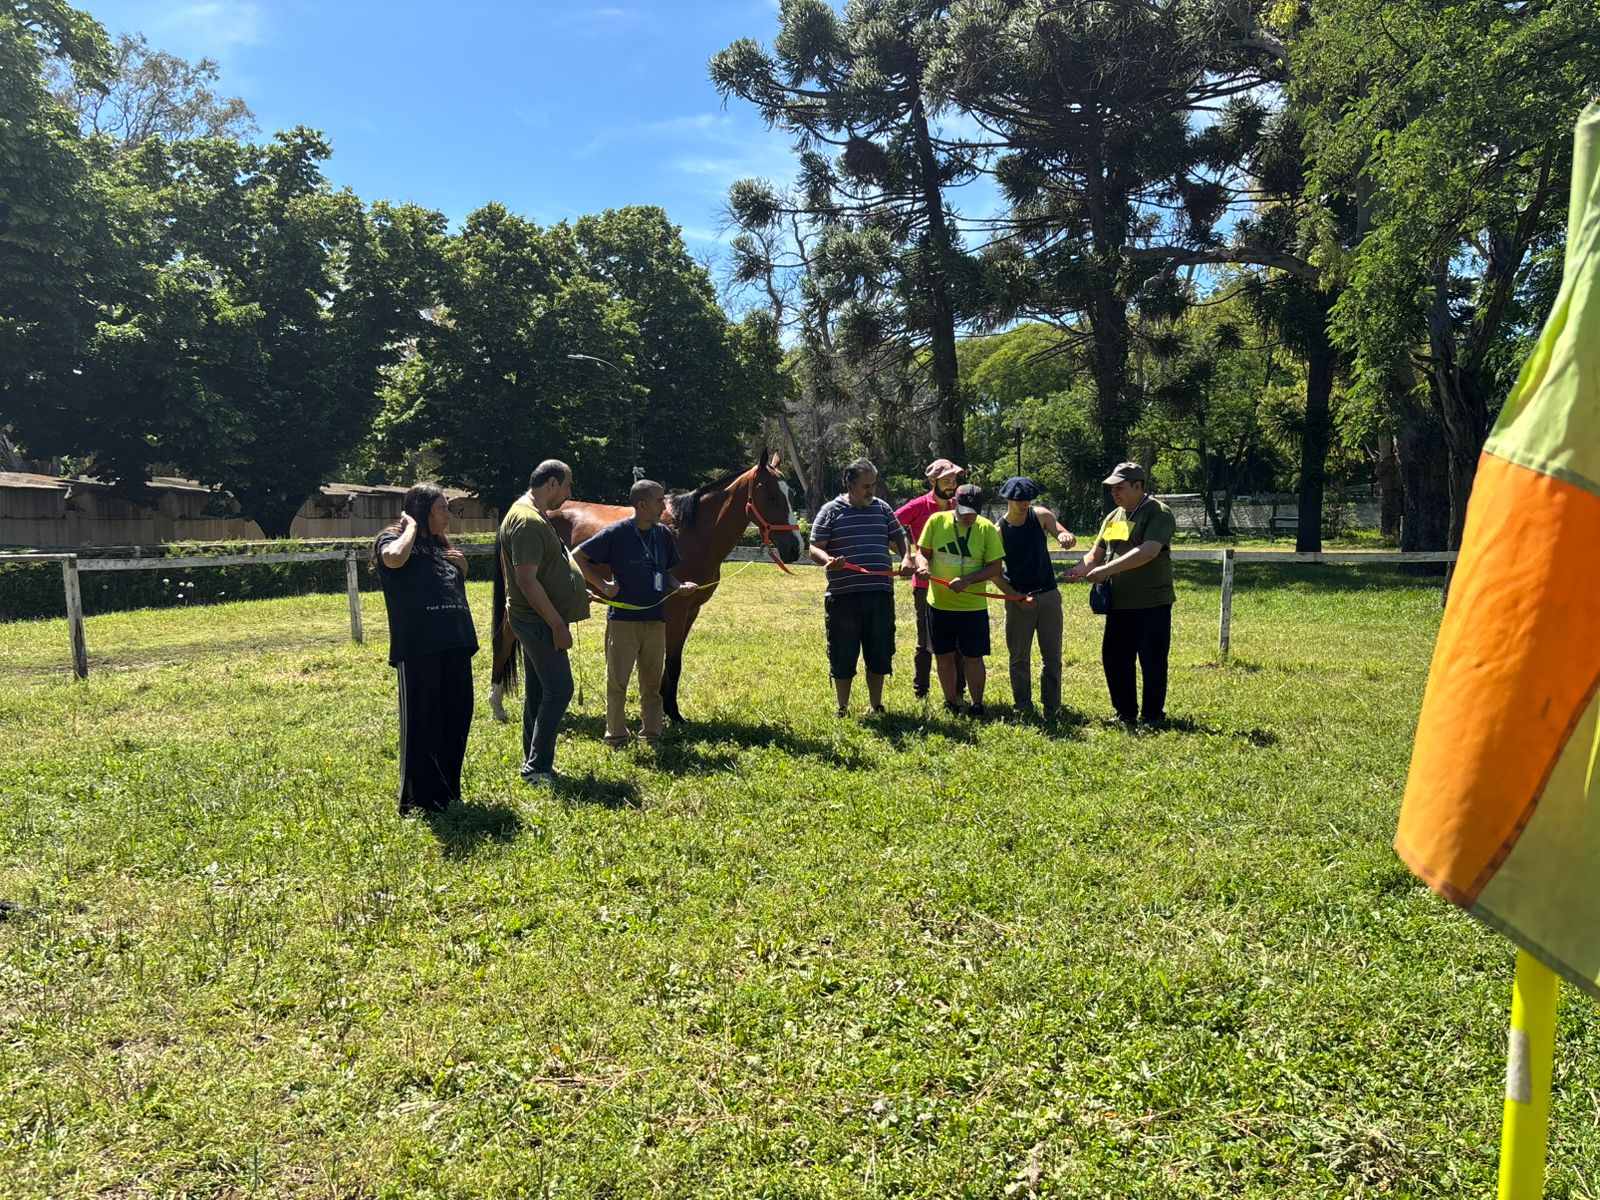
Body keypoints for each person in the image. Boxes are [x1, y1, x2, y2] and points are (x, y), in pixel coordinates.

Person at [372, 482, 477, 816]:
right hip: (419, 648)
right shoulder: (392, 539)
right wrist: (413, 527)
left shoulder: (442, 547)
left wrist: (461, 569)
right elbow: (393, 560)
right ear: (421, 510)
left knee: (456, 719)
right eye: (442, 508)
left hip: (456, 644)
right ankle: (417, 800)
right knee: (423, 723)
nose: (449, 514)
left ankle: (447, 794)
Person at [573, 479, 698, 748]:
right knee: (617, 682)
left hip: (655, 620)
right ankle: (616, 737)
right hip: (623, 622)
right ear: (641, 505)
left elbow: (666, 572)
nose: (663, 506)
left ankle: (651, 735)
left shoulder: (662, 534)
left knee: (652, 683)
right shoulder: (617, 532)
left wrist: (679, 586)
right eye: (658, 501)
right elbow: (577, 557)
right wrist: (602, 585)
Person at [498, 460, 591, 785]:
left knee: (538, 692)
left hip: (537, 618)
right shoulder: (526, 521)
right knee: (560, 689)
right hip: (538, 622)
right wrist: (557, 625)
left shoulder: (530, 514)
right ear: (551, 483)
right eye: (566, 485)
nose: (569, 493)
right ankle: (537, 768)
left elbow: (544, 571)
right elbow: (526, 580)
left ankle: (534, 761)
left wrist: (572, 593)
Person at [1066, 462, 1177, 726]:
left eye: (1120, 488)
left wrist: (1105, 571)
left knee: (1152, 660)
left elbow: (1148, 551)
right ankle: (1125, 712)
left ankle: (1152, 715)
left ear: (1139, 486)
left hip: (1152, 602)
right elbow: (1097, 553)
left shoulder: (1158, 512)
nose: (1115, 493)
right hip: (1119, 603)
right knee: (1115, 659)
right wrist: (1078, 570)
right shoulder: (1113, 516)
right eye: (1112, 488)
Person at [912, 483, 1031, 717]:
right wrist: (923, 565)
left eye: (974, 514)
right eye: (965, 513)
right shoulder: (936, 522)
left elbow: (995, 566)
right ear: (954, 505)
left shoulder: (986, 529)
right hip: (939, 604)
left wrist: (967, 580)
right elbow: (922, 552)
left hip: (972, 608)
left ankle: (977, 704)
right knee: (943, 655)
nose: (969, 518)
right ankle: (951, 702)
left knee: (973, 657)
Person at [808, 458, 908, 717]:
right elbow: (814, 548)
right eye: (865, 486)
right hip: (843, 597)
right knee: (843, 652)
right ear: (849, 484)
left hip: (879, 594)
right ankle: (843, 707)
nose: (871, 490)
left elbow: (899, 536)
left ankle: (876, 705)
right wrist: (828, 560)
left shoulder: (883, 508)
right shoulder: (830, 510)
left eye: (873, 484)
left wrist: (907, 557)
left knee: (879, 651)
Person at [997, 476, 1077, 716]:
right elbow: (994, 573)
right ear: (1008, 500)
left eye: (1028, 499)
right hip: (1019, 600)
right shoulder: (998, 531)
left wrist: (1065, 537)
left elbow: (1061, 532)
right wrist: (1015, 597)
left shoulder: (1041, 515)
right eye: (1019, 500)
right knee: (1019, 657)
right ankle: (1022, 705)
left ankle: (1052, 706)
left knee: (1052, 656)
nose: (1024, 504)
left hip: (1048, 595)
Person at [894, 458, 967, 700]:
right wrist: (907, 556)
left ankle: (958, 691)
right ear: (932, 481)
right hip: (925, 584)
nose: (951, 485)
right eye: (946, 480)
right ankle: (921, 692)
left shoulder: (960, 506)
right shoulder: (917, 506)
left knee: (958, 641)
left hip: (956, 583)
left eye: (954, 481)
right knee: (925, 640)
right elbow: (891, 526)